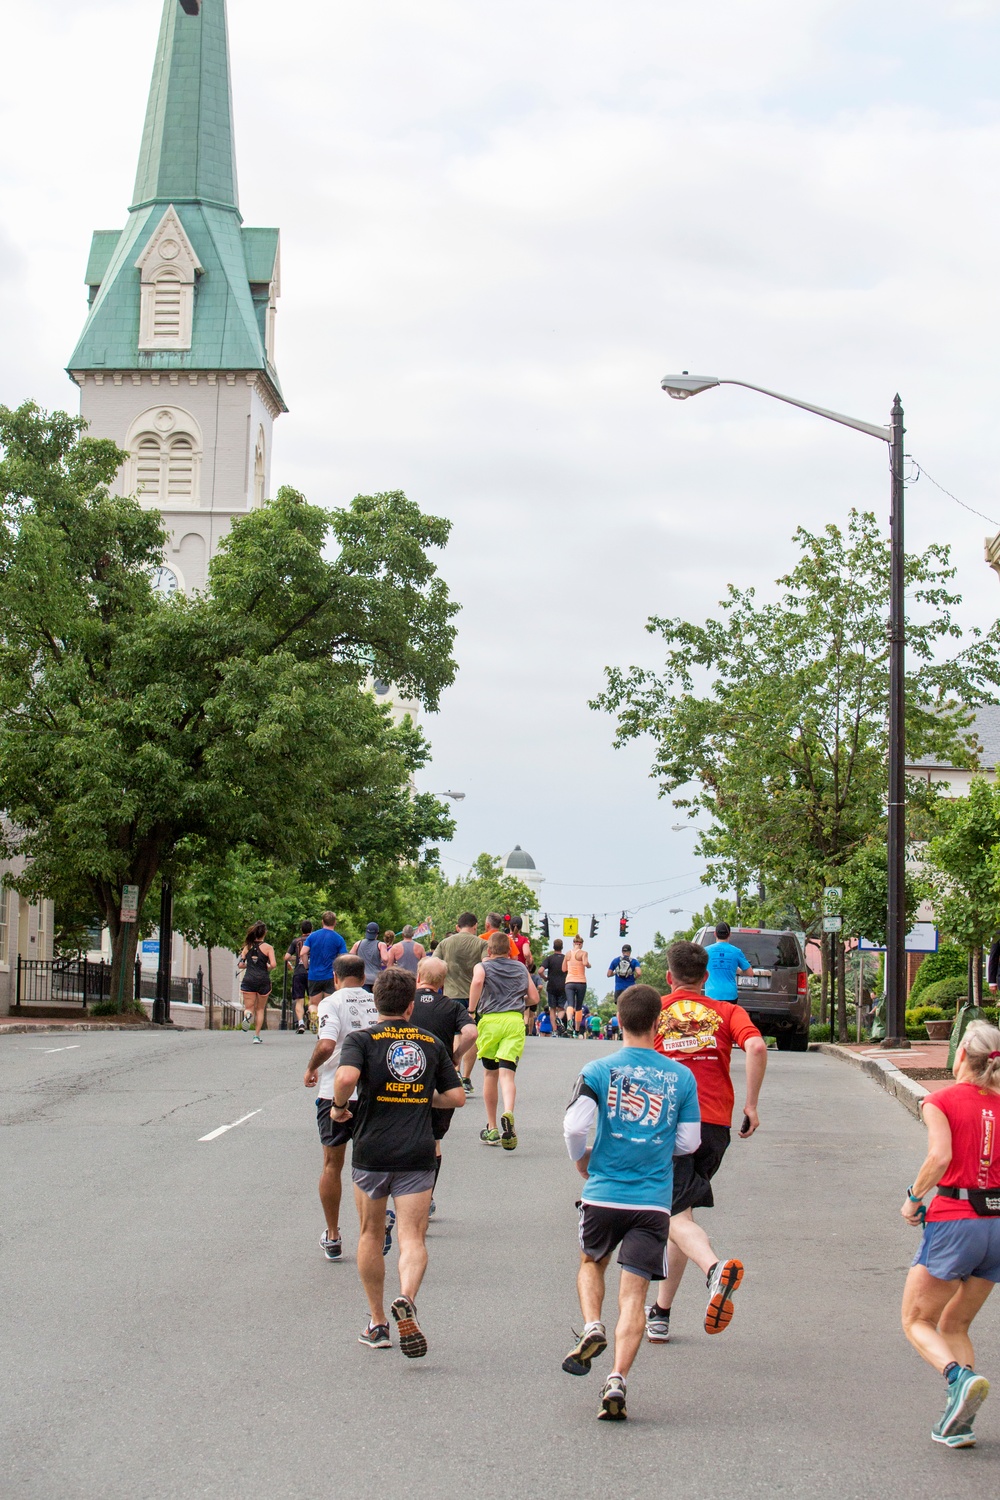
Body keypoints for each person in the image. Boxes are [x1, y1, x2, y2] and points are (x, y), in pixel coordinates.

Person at [562, 984, 701, 1422]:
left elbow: (573, 1127)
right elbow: (690, 1141)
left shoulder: (598, 1069)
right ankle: (618, 1378)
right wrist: (657, 1146)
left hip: (603, 1193)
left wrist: (583, 1161)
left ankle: (591, 1326)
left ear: (619, 1021)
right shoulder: (681, 1077)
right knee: (635, 1294)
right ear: (657, 1023)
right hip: (653, 1201)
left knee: (591, 1263)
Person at [333, 967, 465, 1355]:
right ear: (410, 1006)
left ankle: (377, 1323)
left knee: (371, 1234)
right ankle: (406, 1296)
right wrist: (424, 1098)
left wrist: (341, 1108)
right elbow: (456, 1097)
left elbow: (344, 1079)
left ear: (377, 1004)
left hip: (372, 1152)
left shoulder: (361, 1039)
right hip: (416, 1152)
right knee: (412, 1237)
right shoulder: (429, 1043)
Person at [644, 939, 767, 1343]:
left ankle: (714, 1269)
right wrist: (750, 1104)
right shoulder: (728, 1011)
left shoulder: (655, 1009)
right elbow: (756, 1045)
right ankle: (661, 1311)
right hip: (715, 1124)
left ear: (669, 976)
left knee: (674, 1215)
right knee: (682, 1213)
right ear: (707, 977)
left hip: (667, 1121)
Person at [901, 1020, 1000, 1448]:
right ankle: (959, 1421)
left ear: (960, 1054)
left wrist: (913, 1197)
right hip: (997, 1224)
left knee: (917, 1320)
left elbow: (940, 1156)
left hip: (956, 1220)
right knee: (956, 1323)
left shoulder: (938, 1100)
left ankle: (958, 1378)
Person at [303, 954, 380, 1260]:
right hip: (372, 1092)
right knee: (369, 1166)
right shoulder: (377, 1002)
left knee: (332, 1165)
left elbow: (325, 1043)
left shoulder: (330, 1003)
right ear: (363, 977)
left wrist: (311, 1068)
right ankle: (372, 1230)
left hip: (334, 1090)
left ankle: (333, 1235)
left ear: (336, 978)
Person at [413, 955, 477, 1210]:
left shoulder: (406, 1003)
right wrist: (456, 1056)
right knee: (434, 1141)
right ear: (443, 982)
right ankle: (427, 1197)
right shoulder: (452, 1007)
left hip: (407, 1073)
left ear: (418, 977)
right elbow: (471, 1032)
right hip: (439, 1079)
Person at [468, 931, 538, 1149]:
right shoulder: (520, 967)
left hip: (490, 1021)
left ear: (489, 950)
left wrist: (471, 1010)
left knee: (490, 1074)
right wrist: (517, 999)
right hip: (514, 1021)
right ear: (509, 950)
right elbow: (534, 998)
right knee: (508, 1075)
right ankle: (508, 1113)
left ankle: (492, 1128)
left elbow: (478, 981)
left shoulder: (482, 966)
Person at [436, 913, 486, 1096]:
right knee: (472, 1035)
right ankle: (466, 1076)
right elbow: (487, 966)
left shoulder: (445, 943)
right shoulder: (481, 944)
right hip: (476, 997)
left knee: (455, 1034)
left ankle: (454, 1072)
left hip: (451, 994)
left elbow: (434, 964)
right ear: (475, 926)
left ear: (458, 926)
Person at [302, 912, 348, 1017]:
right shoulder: (339, 939)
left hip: (314, 975)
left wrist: (307, 967)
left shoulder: (312, 936)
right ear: (335, 922)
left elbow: (303, 952)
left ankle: (314, 1014)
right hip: (330, 976)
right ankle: (327, 1024)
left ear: (322, 922)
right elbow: (344, 957)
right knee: (330, 1004)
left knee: (313, 1003)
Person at [237, 922, 276, 1043]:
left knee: (249, 1007)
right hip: (263, 980)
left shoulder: (247, 947)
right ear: (264, 933)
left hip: (249, 979)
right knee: (260, 1009)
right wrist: (266, 966)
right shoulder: (268, 948)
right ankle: (256, 1036)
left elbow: (240, 964)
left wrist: (249, 965)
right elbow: (273, 965)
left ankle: (248, 1015)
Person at [704, 922, 753, 1002]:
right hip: (730, 996)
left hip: (711, 995)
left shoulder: (706, 951)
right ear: (729, 934)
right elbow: (750, 973)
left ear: (715, 934)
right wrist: (739, 971)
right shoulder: (736, 951)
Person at [283, 920, 313, 1035]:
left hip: (299, 972)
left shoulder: (296, 941)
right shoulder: (314, 940)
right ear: (311, 929)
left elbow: (286, 957)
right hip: (312, 973)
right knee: (312, 999)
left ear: (301, 930)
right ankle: (313, 1018)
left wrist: (295, 960)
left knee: (299, 1000)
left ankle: (300, 1023)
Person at [540, 939, 568, 1035]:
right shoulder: (565, 959)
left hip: (551, 986)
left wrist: (545, 978)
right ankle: (558, 1019)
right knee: (561, 1009)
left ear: (553, 947)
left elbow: (540, 971)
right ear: (562, 947)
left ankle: (555, 1031)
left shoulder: (549, 958)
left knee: (552, 1009)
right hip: (563, 986)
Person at [565, 935, 590, 1034]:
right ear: (581, 944)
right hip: (581, 982)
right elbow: (585, 963)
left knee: (570, 1004)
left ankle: (569, 1021)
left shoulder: (567, 954)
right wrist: (589, 964)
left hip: (569, 981)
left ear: (573, 943)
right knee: (579, 1006)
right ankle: (577, 1029)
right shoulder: (584, 953)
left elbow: (564, 968)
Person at [351, 922, 385, 991]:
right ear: (377, 933)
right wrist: (382, 963)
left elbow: (350, 957)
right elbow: (385, 958)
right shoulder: (380, 945)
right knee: (375, 1000)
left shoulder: (358, 943)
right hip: (376, 979)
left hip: (362, 978)